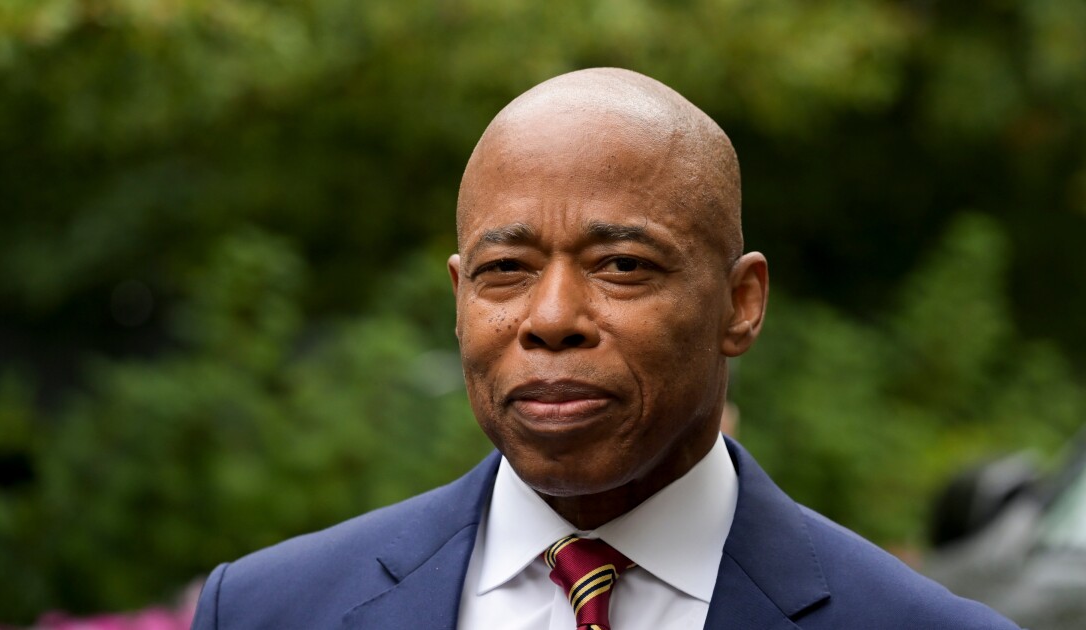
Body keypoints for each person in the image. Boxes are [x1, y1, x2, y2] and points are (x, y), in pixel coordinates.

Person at [190, 68, 1018, 629]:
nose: (552, 318)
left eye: (622, 265)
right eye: (505, 270)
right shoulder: (268, 610)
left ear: (741, 304)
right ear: (459, 301)